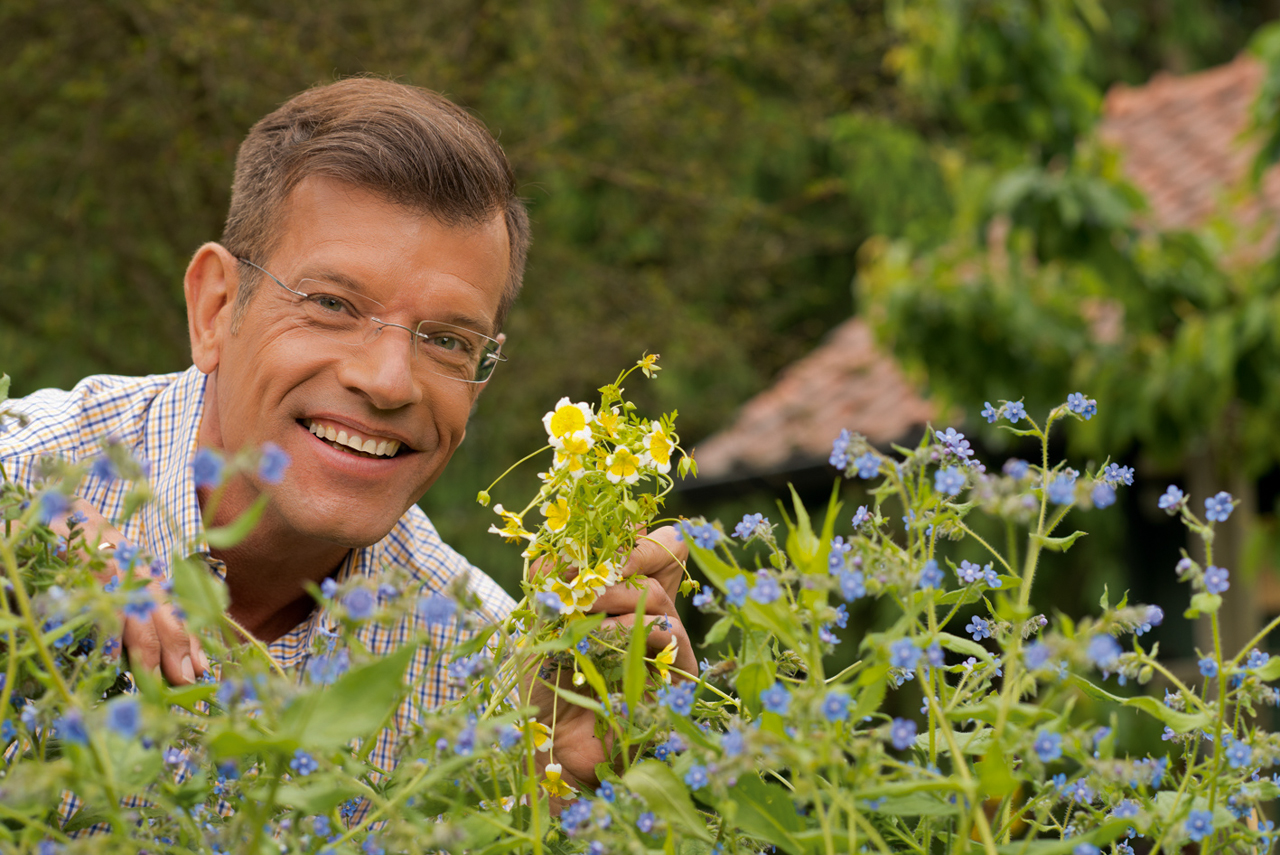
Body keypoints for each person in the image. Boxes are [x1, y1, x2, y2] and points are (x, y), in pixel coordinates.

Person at [0, 76, 696, 791]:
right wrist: (23, 548)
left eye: (449, 340)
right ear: (214, 309)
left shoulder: (488, 672)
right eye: (331, 304)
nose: (389, 381)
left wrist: (559, 792)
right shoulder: (24, 485)